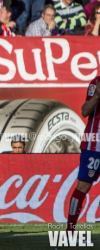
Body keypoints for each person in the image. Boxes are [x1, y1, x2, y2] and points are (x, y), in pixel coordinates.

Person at [66, 75, 100, 232]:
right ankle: (70, 231)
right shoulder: (96, 83)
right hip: (95, 144)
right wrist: (98, 95)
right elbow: (85, 111)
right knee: (83, 186)